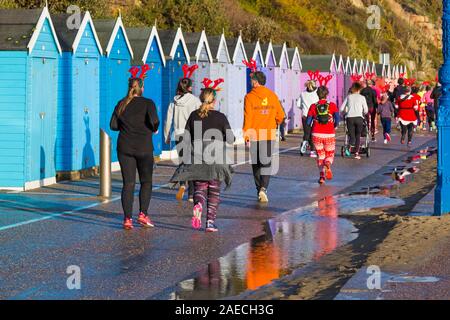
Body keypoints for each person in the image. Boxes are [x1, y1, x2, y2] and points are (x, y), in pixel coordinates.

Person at [170, 87, 235, 232]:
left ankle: (198, 205)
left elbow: (186, 138)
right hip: (216, 158)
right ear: (214, 101)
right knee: (214, 191)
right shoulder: (220, 117)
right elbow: (231, 139)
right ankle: (210, 223)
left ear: (201, 99)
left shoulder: (194, 115)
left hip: (197, 157)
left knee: (200, 187)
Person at [110, 71, 160, 230]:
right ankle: (143, 214)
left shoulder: (121, 103)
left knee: (128, 183)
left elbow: (113, 126)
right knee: (146, 181)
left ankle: (127, 219)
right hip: (144, 148)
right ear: (142, 88)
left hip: (125, 147)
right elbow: (154, 121)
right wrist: (154, 129)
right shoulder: (148, 103)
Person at [243, 71, 285, 203]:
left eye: (251, 81)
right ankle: (263, 189)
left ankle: (258, 190)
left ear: (255, 82)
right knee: (266, 163)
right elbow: (281, 115)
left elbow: (247, 117)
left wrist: (246, 136)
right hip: (268, 133)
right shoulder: (272, 95)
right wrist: (275, 122)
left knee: (256, 164)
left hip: (255, 134)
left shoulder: (249, 97)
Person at [164, 78, 202, 202]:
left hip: (178, 135)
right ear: (190, 88)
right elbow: (201, 116)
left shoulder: (174, 102)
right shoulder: (195, 101)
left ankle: (181, 184)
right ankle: (191, 195)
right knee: (191, 163)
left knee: (182, 162)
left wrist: (166, 135)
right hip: (192, 134)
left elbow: (167, 120)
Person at [306, 86, 340, 185]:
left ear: (317, 95)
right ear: (327, 94)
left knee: (320, 155)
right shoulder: (332, 105)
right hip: (329, 134)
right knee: (329, 154)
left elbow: (308, 122)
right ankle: (328, 164)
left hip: (316, 134)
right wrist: (333, 126)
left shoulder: (313, 106)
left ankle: (321, 177)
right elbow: (337, 120)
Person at [340, 82, 369, 160]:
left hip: (350, 118)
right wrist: (362, 112)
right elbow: (366, 110)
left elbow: (341, 109)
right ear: (359, 89)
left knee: (351, 135)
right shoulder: (362, 97)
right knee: (358, 135)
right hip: (359, 118)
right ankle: (356, 153)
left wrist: (345, 112)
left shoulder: (348, 97)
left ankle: (349, 146)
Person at [298, 80, 319, 157]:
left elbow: (298, 104)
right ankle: (312, 152)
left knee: (307, 133)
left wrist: (303, 108)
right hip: (314, 116)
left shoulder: (302, 94)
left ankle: (304, 144)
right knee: (313, 133)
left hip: (305, 116)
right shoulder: (317, 93)